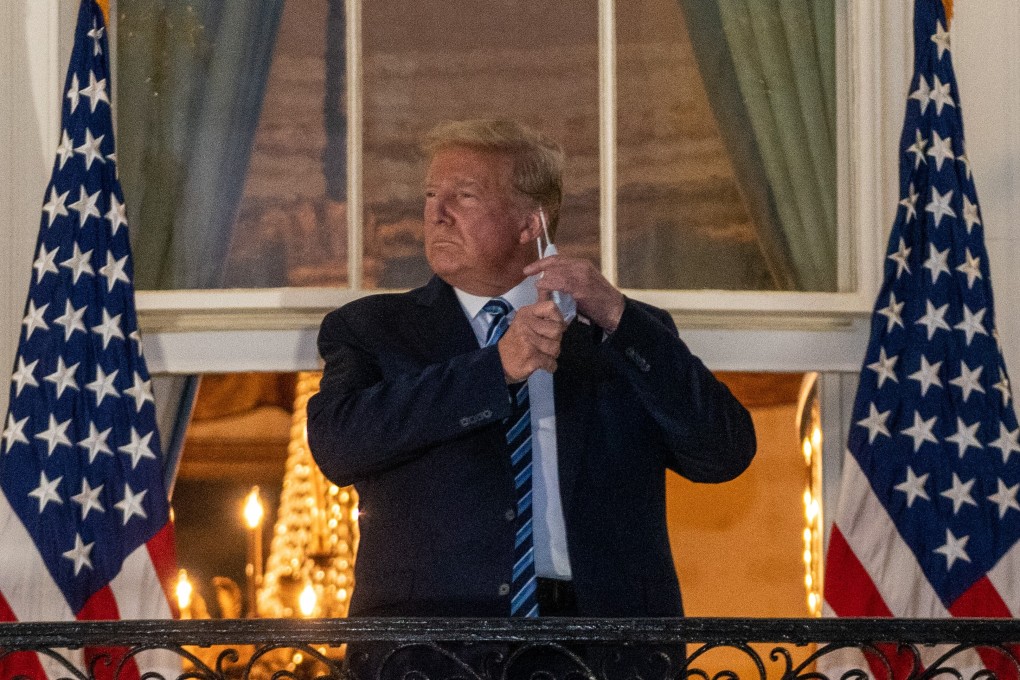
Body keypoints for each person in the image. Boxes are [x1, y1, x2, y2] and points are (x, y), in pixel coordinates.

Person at [306, 118, 756, 673]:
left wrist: (619, 316)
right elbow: (337, 444)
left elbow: (724, 453)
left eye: (463, 195)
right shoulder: (372, 328)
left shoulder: (617, 335)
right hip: (428, 654)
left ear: (530, 223)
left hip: (600, 653)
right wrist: (494, 369)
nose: (435, 212)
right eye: (430, 194)